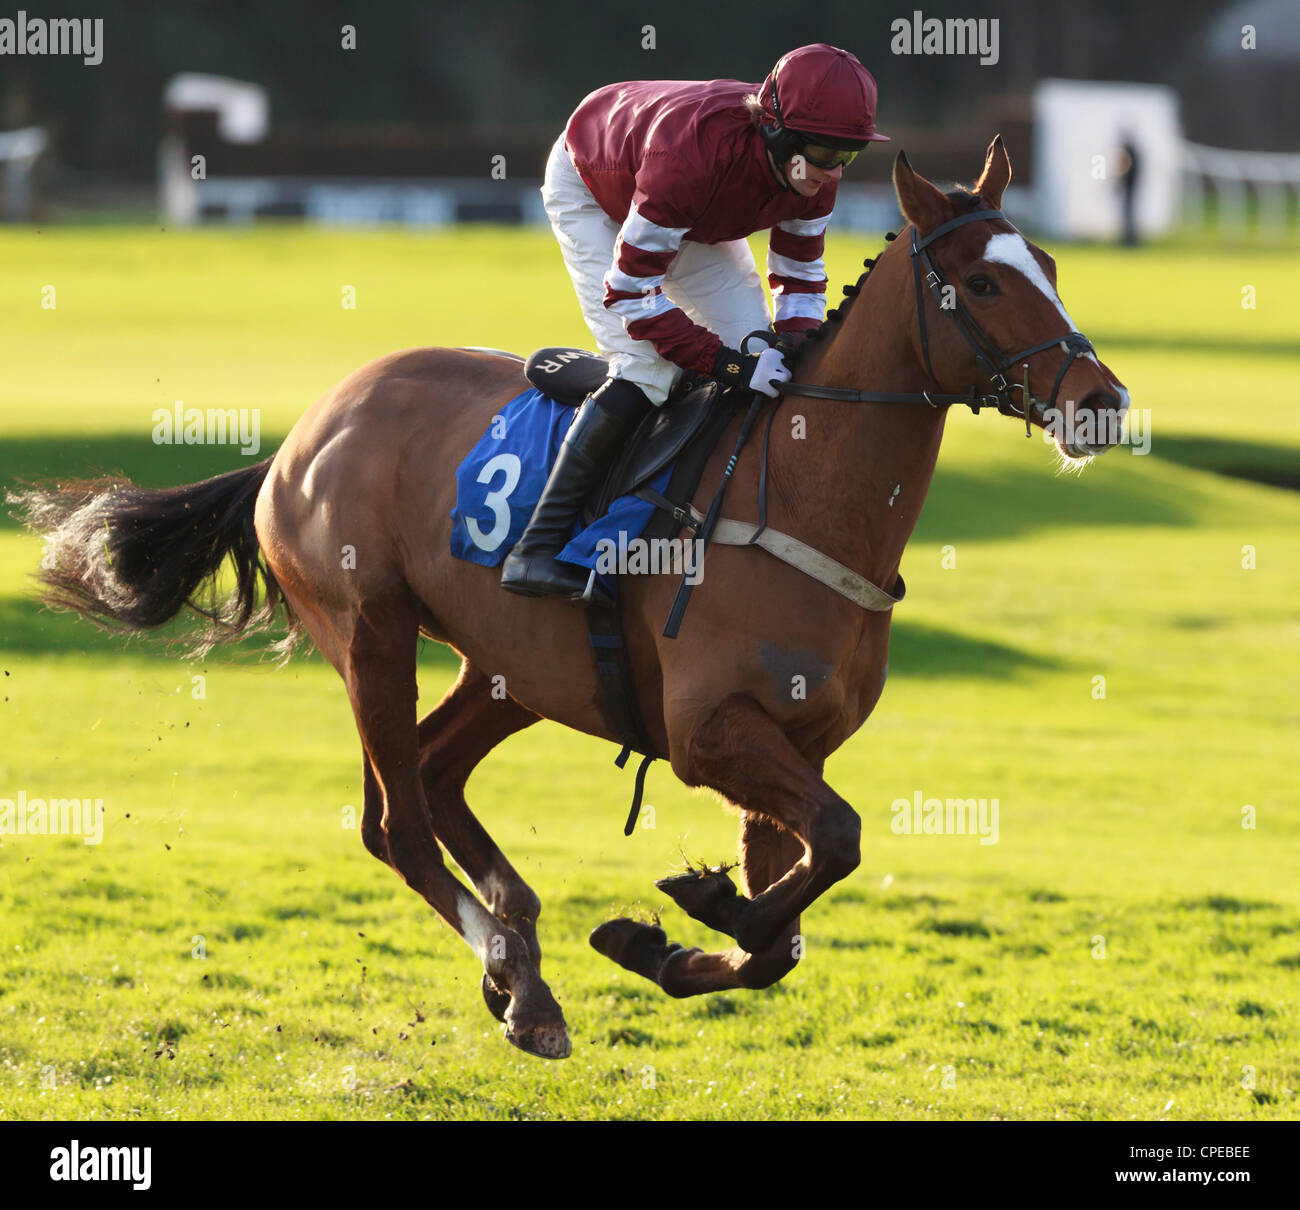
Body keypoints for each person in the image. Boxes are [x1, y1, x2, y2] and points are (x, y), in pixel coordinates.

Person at [501, 43, 889, 601]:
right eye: (822, 152)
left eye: (846, 157)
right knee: (648, 368)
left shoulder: (814, 172)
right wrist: (724, 363)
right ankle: (535, 550)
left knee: (759, 349)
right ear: (776, 130)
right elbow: (631, 291)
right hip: (593, 183)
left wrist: (795, 348)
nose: (829, 172)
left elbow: (801, 275)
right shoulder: (691, 158)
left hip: (686, 209)